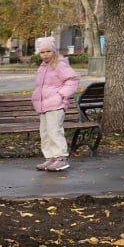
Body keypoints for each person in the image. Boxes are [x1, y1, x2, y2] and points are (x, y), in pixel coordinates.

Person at [31, 36, 80, 171]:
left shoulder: (60, 64)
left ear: (54, 51)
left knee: (54, 131)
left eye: (48, 51)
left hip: (56, 104)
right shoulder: (43, 67)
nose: (45, 54)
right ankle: (50, 157)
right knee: (45, 133)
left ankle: (60, 158)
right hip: (44, 105)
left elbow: (72, 80)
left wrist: (62, 95)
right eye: (42, 52)